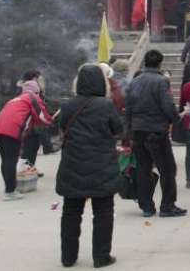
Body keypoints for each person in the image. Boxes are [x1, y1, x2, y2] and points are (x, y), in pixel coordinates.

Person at [55, 64, 122, 269]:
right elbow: (118, 129)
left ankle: (68, 257)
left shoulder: (68, 105)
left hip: (73, 163)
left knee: (71, 212)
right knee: (103, 212)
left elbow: (62, 128)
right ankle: (101, 256)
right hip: (101, 164)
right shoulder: (106, 105)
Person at [124, 50, 185, 218]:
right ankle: (167, 205)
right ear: (160, 64)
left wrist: (128, 130)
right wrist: (176, 118)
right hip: (156, 130)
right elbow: (167, 105)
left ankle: (147, 206)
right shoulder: (160, 81)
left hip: (138, 130)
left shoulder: (134, 82)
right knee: (167, 169)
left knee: (144, 169)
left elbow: (128, 107)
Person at [0, 79, 53, 200]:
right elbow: (41, 116)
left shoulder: (16, 99)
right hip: (12, 129)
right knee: (11, 160)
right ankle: (10, 191)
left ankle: (9, 189)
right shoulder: (32, 97)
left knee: (5, 160)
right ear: (36, 91)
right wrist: (50, 120)